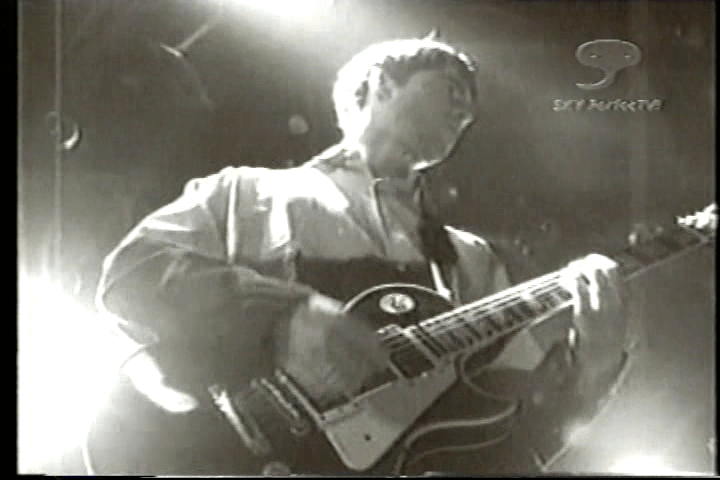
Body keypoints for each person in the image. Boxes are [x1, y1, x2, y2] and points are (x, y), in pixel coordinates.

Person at [91, 37, 628, 475]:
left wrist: (593, 369)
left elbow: (509, 441)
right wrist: (282, 314)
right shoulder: (245, 192)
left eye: (470, 106)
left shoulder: (471, 260)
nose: (467, 110)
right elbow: (132, 275)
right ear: (380, 84)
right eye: (451, 88)